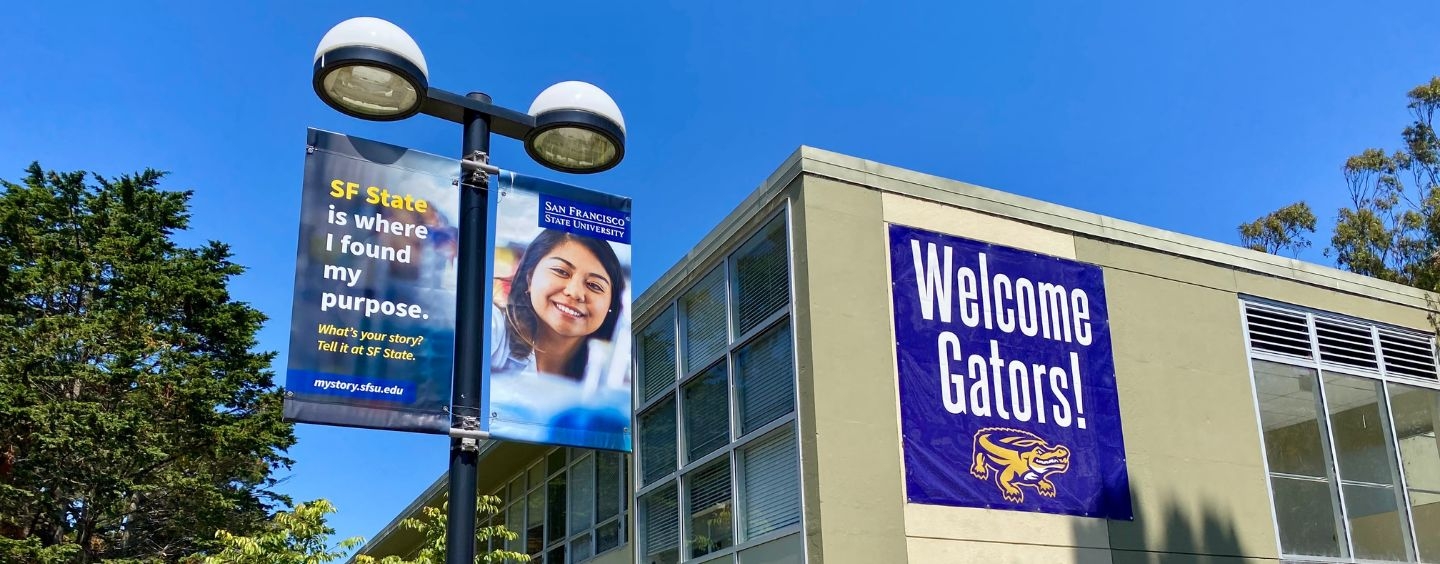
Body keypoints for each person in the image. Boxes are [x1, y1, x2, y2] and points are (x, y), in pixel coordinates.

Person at [491, 229, 626, 381]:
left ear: (611, 305)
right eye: (561, 272)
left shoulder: (612, 373)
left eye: (594, 285)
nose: (574, 293)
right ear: (530, 277)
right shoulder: (494, 328)